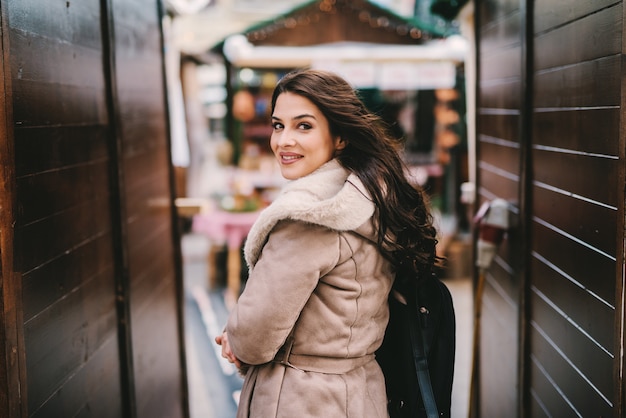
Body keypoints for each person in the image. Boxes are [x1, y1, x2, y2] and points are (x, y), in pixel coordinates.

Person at [215, 69, 439, 417]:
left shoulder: (308, 217)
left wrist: (235, 337)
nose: (283, 140)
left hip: (299, 399)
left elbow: (254, 338)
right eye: (278, 125)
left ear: (340, 137)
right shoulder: (371, 196)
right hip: (361, 392)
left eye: (303, 126)